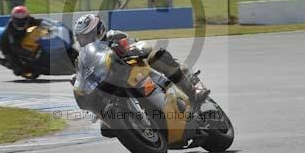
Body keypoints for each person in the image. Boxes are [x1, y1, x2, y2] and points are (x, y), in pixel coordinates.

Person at [73, 14, 210, 105]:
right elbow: (82, 76)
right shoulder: (83, 58)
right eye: (81, 38)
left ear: (98, 31)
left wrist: (131, 49)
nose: (84, 41)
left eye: (87, 36)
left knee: (158, 57)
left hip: (135, 67)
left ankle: (192, 91)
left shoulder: (114, 36)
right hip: (113, 83)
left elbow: (138, 44)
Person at [0, 5, 44, 76]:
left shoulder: (30, 19)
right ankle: (15, 66)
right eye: (18, 15)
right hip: (8, 45)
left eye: (22, 14)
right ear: (13, 16)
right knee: (18, 70)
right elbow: (13, 45)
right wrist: (25, 52)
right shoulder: (10, 27)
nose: (20, 17)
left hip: (24, 38)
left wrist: (46, 24)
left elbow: (39, 22)